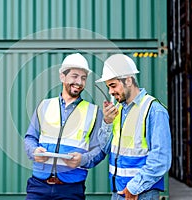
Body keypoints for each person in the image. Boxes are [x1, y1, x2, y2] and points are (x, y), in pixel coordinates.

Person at [24, 53, 108, 200]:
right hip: (38, 185)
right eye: (74, 76)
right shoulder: (44, 105)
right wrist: (34, 151)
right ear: (62, 77)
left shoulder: (94, 112)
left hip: (71, 188)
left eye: (83, 78)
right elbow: (30, 138)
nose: (79, 82)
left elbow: (100, 149)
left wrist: (82, 159)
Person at [95, 54, 172, 200]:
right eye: (108, 87)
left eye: (113, 86)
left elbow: (161, 159)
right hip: (118, 192)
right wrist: (107, 122)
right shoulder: (118, 110)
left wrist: (134, 187)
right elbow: (104, 149)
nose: (110, 92)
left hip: (141, 193)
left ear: (128, 80)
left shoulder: (154, 110)